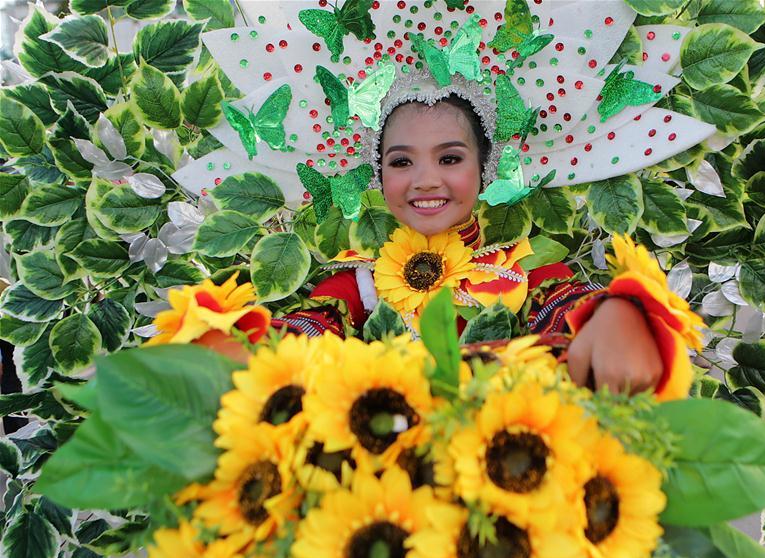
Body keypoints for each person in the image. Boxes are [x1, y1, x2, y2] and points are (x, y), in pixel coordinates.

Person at [273, 90, 665, 395]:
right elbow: (311, 326)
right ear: (379, 174)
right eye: (402, 162)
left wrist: (616, 313)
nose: (425, 180)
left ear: (485, 167)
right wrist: (255, 345)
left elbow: (566, 303)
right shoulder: (361, 281)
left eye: (449, 159)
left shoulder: (518, 268)